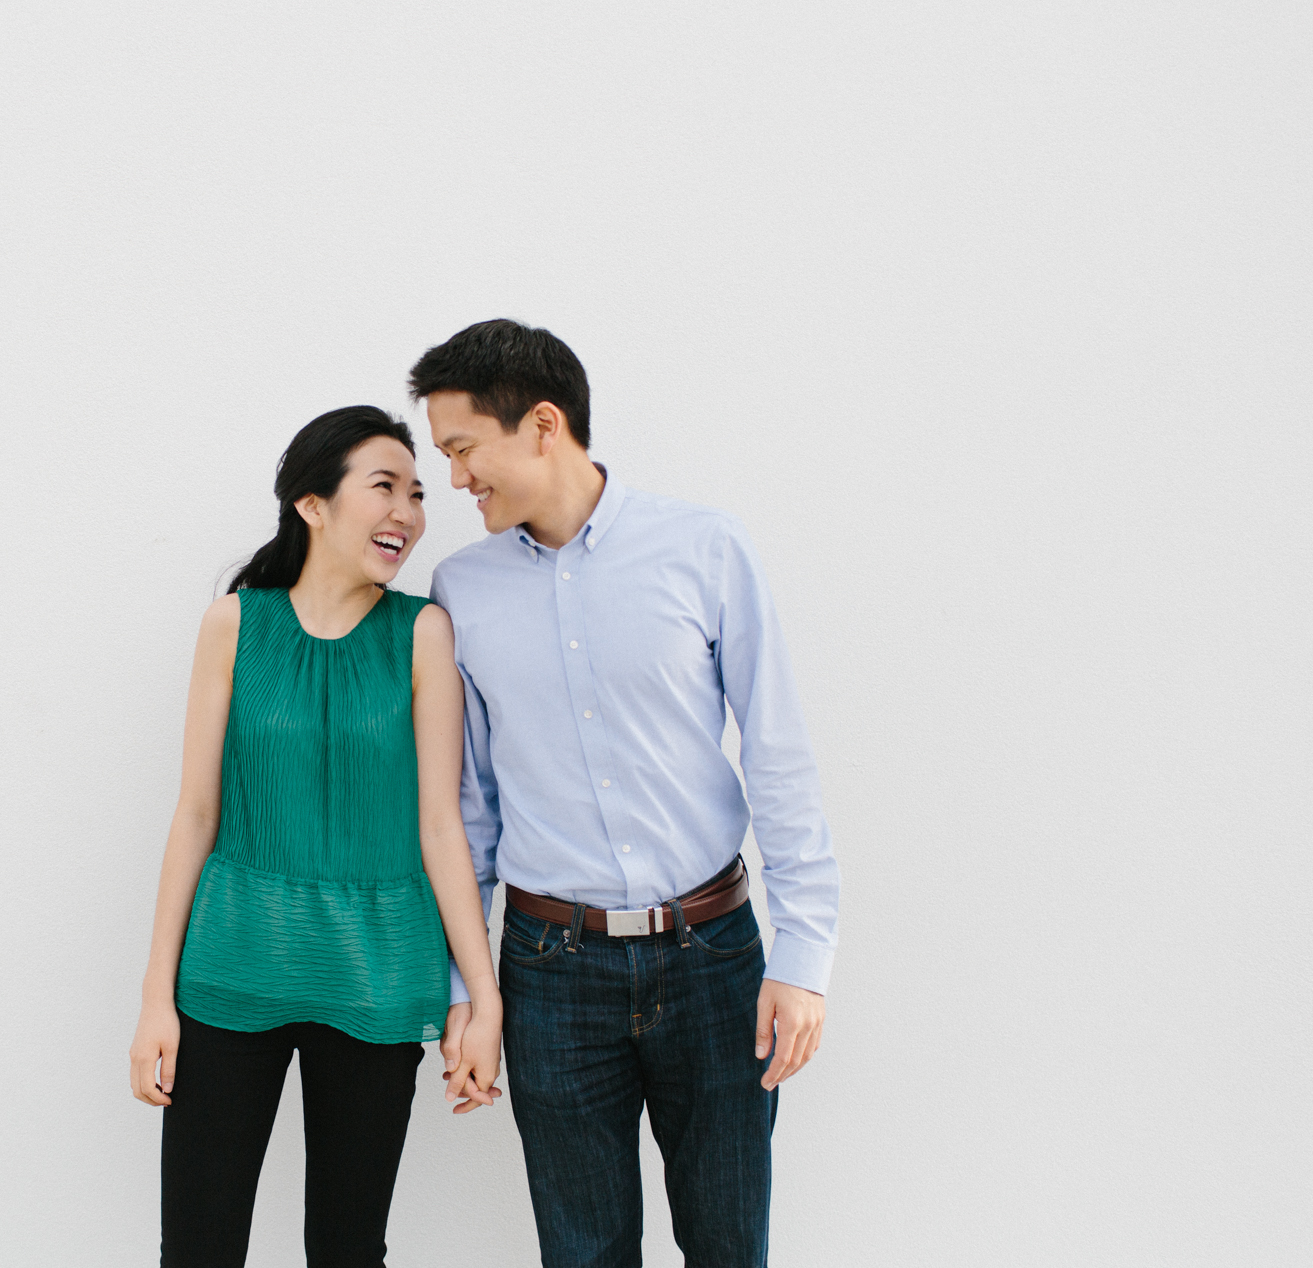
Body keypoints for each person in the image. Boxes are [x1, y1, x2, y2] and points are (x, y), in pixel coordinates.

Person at [411, 321, 840, 1268]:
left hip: (714, 957)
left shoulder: (705, 548)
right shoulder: (461, 590)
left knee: (730, 1245)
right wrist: (465, 993)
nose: (455, 479)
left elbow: (777, 753)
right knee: (582, 1255)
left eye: (462, 448)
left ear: (544, 424)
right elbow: (470, 813)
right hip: (550, 968)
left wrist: (804, 955)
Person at [128, 405, 504, 1268]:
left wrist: (481, 996)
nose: (408, 512)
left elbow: (441, 825)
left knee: (347, 1249)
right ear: (312, 503)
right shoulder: (235, 623)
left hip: (377, 977)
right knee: (197, 1246)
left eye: (417, 493)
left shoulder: (421, 633)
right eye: (385, 487)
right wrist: (156, 996)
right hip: (231, 967)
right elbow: (194, 815)